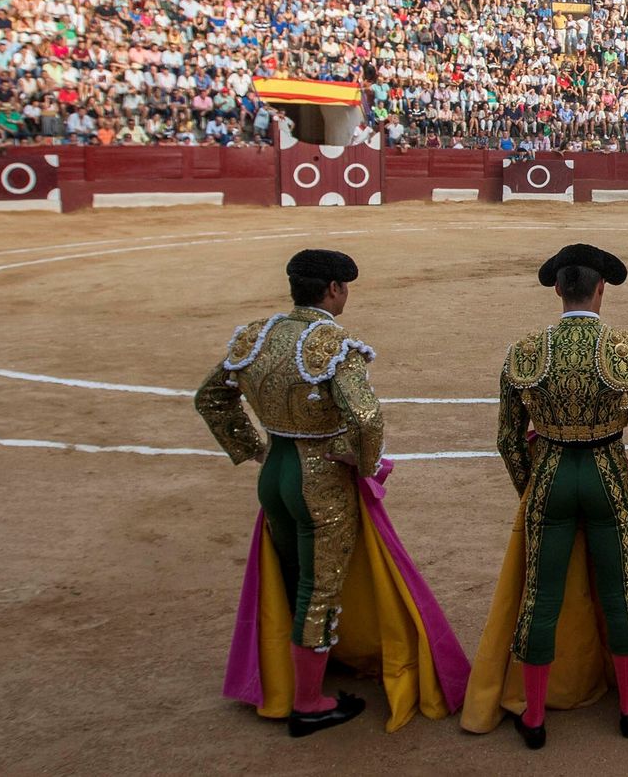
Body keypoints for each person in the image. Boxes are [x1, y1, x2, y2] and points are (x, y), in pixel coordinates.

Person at [196, 250, 470, 737]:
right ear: (335, 289)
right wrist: (362, 465)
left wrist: (253, 447)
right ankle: (308, 702)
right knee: (317, 589)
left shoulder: (257, 334)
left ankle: (302, 674)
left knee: (292, 574)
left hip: (276, 472)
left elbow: (210, 397)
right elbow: (366, 417)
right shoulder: (332, 344)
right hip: (318, 480)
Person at [463, 244, 628, 748]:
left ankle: (533, 718)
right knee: (622, 595)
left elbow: (507, 438)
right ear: (601, 290)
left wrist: (530, 486)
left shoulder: (523, 351)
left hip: (549, 474)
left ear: (557, 290)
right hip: (607, 476)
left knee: (540, 598)